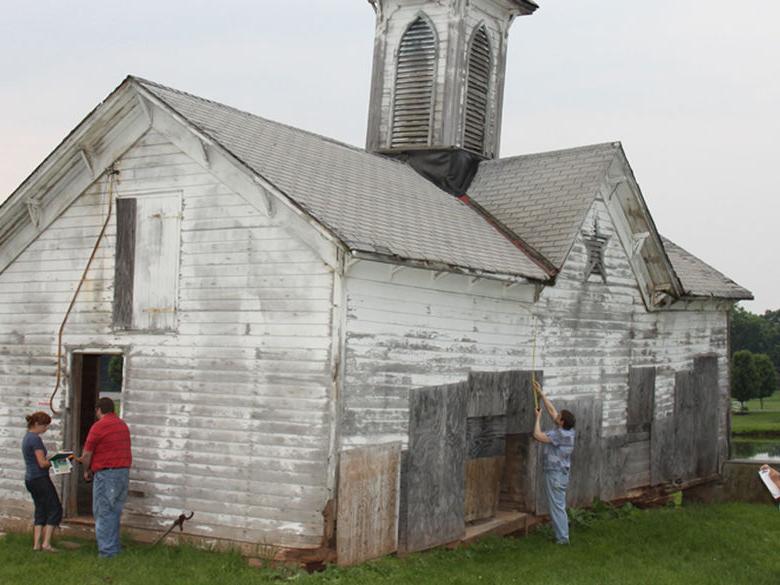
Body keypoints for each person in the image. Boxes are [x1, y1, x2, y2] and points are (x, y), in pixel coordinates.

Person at [75, 397, 132, 558]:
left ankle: (107, 552)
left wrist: (86, 470)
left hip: (107, 474)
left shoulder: (99, 426)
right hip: (122, 473)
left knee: (103, 512)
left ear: (98, 410)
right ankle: (114, 548)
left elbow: (86, 455)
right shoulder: (122, 425)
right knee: (114, 511)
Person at [532, 380, 576, 544]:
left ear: (562, 422)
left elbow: (538, 436)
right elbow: (552, 411)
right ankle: (562, 535)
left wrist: (537, 418)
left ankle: (563, 538)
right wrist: (541, 393)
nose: (556, 416)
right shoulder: (568, 431)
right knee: (558, 505)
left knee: (557, 507)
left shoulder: (560, 435)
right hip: (561, 474)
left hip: (556, 474)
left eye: (559, 417)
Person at [21, 411, 63, 552]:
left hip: (30, 478)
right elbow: (42, 463)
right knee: (55, 508)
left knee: (40, 508)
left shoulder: (27, 437)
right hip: (40, 478)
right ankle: (46, 543)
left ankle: (36, 544)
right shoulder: (35, 439)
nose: (46, 429)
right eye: (45, 426)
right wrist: (57, 460)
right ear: (37, 424)